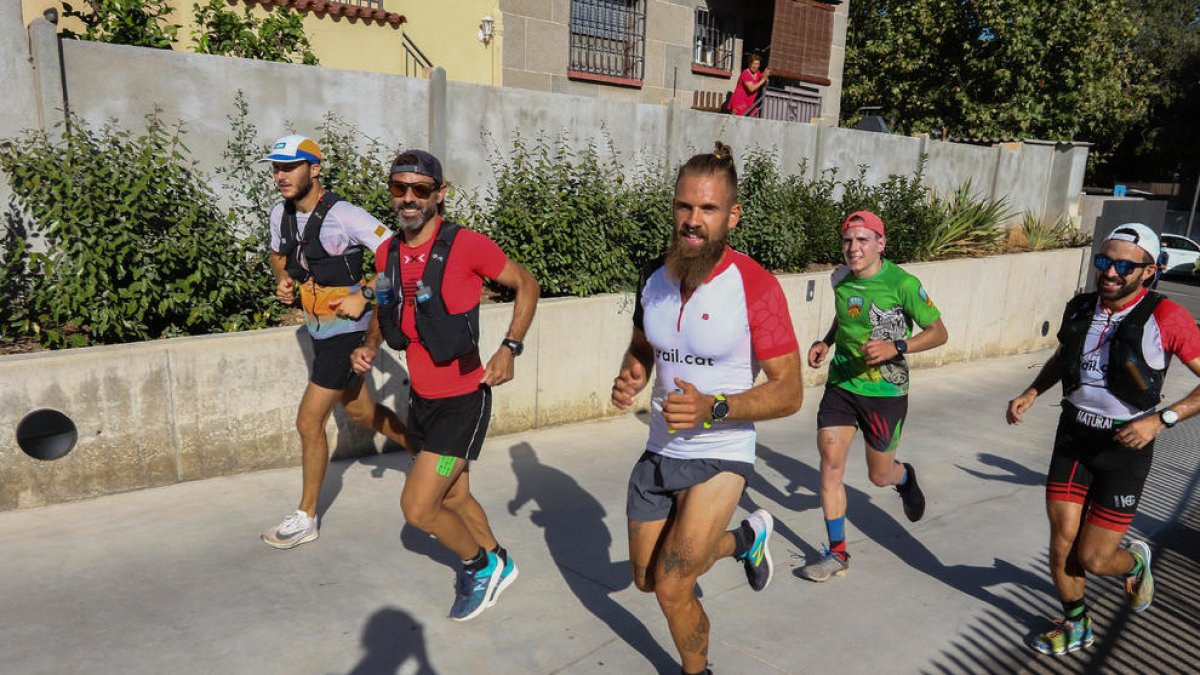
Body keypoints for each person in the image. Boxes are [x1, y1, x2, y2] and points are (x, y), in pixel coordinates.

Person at [610, 143, 803, 675]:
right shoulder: (654, 277)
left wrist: (713, 408)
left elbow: (789, 391)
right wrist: (632, 373)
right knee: (646, 579)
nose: (693, 221)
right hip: (660, 448)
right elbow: (643, 347)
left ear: (731, 216)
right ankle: (745, 538)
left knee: (673, 587)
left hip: (721, 451)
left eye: (708, 209)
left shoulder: (755, 286)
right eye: (684, 207)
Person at [352, 149, 540, 622]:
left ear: (439, 194)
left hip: (462, 399)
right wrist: (372, 345)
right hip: (423, 399)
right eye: (400, 188)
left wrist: (509, 348)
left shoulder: (468, 246)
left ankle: (477, 567)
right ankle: (499, 558)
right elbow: (386, 305)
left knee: (417, 508)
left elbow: (527, 284)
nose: (409, 198)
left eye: (420, 189)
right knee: (453, 496)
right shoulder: (387, 253)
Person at [1006, 223, 1200, 656]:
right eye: (1103, 261)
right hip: (1073, 437)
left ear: (1149, 271)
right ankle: (1077, 624)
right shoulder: (1080, 308)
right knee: (1061, 541)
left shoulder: (1167, 316)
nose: (1110, 272)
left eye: (1123, 266)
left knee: (1094, 558)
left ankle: (1134, 563)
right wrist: (1033, 391)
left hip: (1124, 449)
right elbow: (1065, 355)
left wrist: (1161, 420)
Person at [260, 134, 411, 550]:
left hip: (348, 334)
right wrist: (283, 281)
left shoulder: (343, 215)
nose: (280, 175)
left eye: (289, 167)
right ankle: (422, 446)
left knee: (308, 422)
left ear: (315, 169)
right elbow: (277, 255)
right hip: (319, 329)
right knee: (361, 411)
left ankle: (306, 516)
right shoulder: (282, 215)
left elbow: (397, 254)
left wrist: (364, 292)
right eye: (276, 167)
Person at [800, 211, 948, 581]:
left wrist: (897, 346)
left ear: (881, 243)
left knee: (879, 476)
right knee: (830, 464)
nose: (854, 248)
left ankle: (904, 479)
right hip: (843, 385)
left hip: (886, 391)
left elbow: (939, 332)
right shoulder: (840, 279)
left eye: (863, 240)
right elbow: (847, 316)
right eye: (848, 241)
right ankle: (836, 553)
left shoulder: (903, 284)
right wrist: (826, 341)